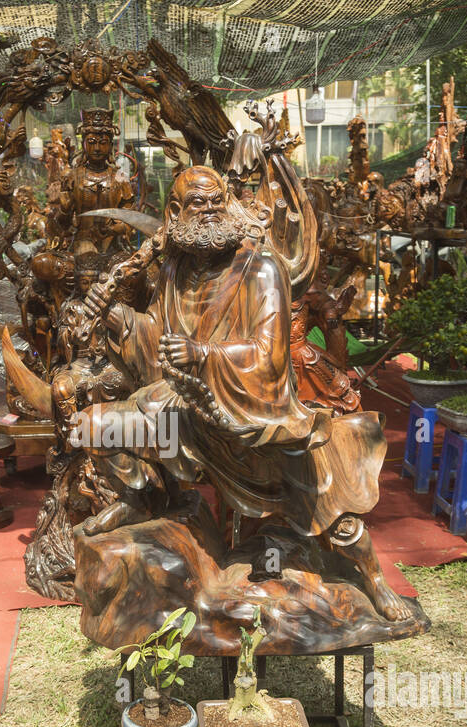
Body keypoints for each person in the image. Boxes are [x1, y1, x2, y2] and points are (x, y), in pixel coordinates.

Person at [79, 166, 410, 622]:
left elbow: (268, 355)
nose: (211, 210)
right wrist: (118, 320)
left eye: (218, 200)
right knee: (96, 427)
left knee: (329, 506)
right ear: (175, 212)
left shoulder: (261, 268)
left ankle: (373, 578)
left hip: (251, 415)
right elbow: (158, 343)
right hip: (185, 410)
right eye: (198, 203)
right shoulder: (175, 266)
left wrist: (203, 353)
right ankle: (142, 498)